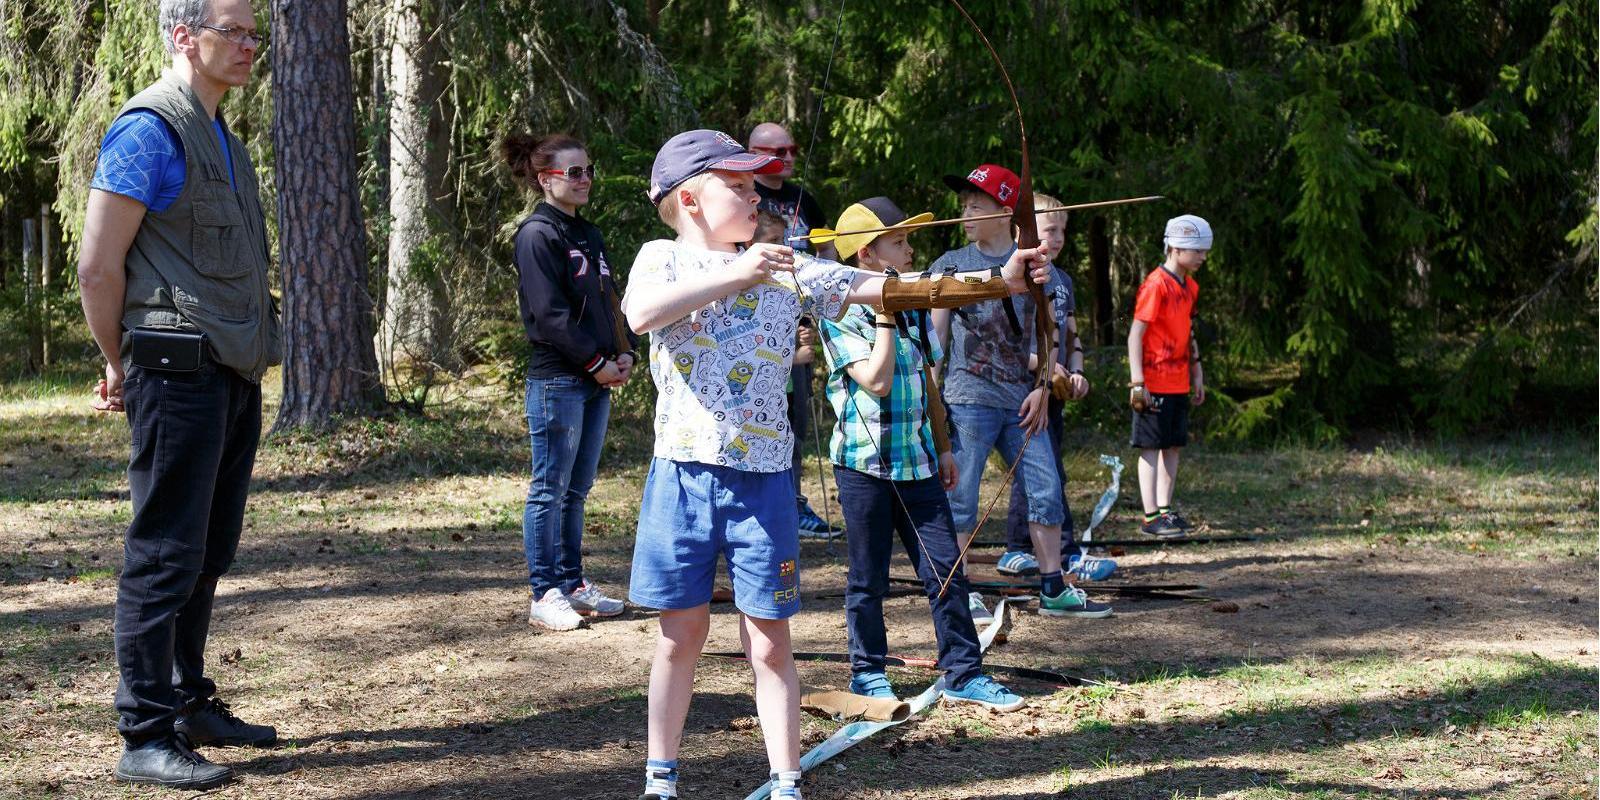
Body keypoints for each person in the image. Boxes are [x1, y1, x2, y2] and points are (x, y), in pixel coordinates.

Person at [622, 129, 1053, 800]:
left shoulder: (789, 267)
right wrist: (741, 272)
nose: (753, 194)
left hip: (765, 483)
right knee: (682, 636)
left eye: (753, 183)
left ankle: (787, 781)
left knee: (770, 644)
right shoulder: (662, 258)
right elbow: (640, 314)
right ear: (689, 200)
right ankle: (660, 780)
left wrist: (998, 281)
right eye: (735, 186)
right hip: (682, 474)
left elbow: (896, 288)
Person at [77, 0, 280, 788]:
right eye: (233, 31)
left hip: (228, 371)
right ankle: (144, 733)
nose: (249, 46)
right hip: (175, 368)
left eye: (255, 34)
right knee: (164, 554)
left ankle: (190, 702)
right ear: (182, 35)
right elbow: (99, 265)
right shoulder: (148, 130)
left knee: (206, 551)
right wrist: (118, 360)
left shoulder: (223, 138)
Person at [820, 197, 1024, 712]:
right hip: (864, 468)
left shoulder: (910, 306)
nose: (911, 253)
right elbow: (879, 381)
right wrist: (886, 316)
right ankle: (868, 672)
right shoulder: (839, 312)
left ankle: (964, 672)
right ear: (867, 254)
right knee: (869, 578)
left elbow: (928, 385)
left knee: (946, 571)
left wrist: (946, 446)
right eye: (900, 243)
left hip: (919, 464)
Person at [930, 165, 1113, 623]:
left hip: (1022, 401)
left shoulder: (1040, 269)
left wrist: (1044, 388)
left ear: (1005, 211)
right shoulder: (949, 264)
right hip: (967, 398)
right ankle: (960, 588)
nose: (966, 212)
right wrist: (930, 401)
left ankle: (1054, 587)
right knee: (961, 495)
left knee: (1046, 488)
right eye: (965, 204)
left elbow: (1052, 337)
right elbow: (934, 344)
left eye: (977, 204)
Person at [501, 133, 638, 631]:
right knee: (549, 488)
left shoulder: (590, 235)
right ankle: (544, 592)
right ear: (545, 179)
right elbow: (549, 315)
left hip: (597, 376)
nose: (584, 180)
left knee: (577, 490)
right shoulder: (537, 234)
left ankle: (574, 583)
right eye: (572, 172)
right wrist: (595, 361)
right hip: (558, 380)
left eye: (587, 171)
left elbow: (608, 301)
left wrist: (623, 352)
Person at [995, 195, 1117, 582]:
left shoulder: (1062, 280)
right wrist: (1046, 368)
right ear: (1024, 231)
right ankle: (1019, 548)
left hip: (1055, 390)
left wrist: (1076, 372)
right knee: (1037, 470)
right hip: (1025, 389)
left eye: (1063, 230)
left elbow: (1071, 335)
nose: (1059, 237)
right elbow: (1006, 344)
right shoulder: (1014, 277)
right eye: (1050, 230)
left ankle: (1053, 550)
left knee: (1050, 470)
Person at [748, 122, 839, 535]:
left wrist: (827, 294)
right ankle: (758, 506)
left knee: (795, 421)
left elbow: (828, 247)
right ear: (753, 152)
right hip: (751, 323)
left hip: (798, 321)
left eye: (792, 150)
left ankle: (794, 504)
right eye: (777, 151)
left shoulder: (805, 199)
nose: (787, 158)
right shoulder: (743, 195)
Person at [1129, 214, 1211, 537]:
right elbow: (1136, 334)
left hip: (1178, 380)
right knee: (1150, 446)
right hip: (1153, 382)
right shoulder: (1155, 285)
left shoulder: (1190, 286)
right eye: (1199, 250)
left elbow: (1188, 332)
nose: (1204, 257)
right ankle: (1150, 516)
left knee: (1172, 446)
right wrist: (1138, 383)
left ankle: (1165, 509)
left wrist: (1198, 372)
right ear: (1177, 247)